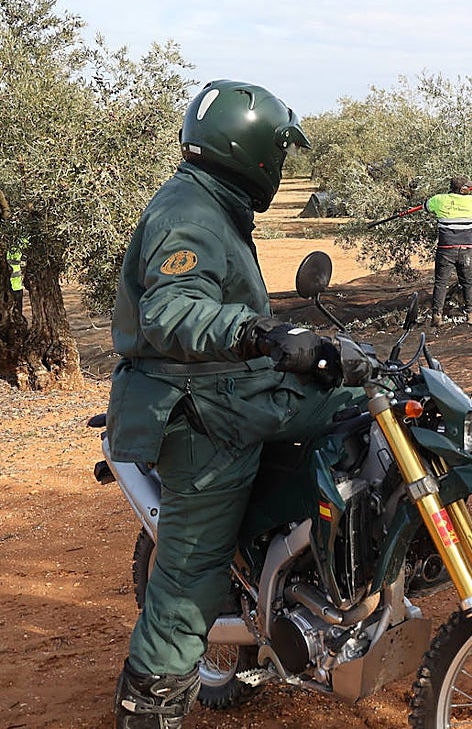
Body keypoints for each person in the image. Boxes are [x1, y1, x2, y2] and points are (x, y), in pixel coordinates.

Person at [107, 80, 356, 728]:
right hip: (192, 413)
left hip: (230, 393)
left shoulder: (217, 206)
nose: (280, 166)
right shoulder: (186, 214)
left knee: (362, 408)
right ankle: (147, 713)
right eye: (277, 152)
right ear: (250, 151)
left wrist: (329, 355)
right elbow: (170, 310)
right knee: (188, 585)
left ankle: (319, 570)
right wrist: (260, 334)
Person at [423, 174, 472, 327]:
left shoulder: (439, 200)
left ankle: (436, 317)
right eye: (468, 187)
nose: (470, 188)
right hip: (465, 250)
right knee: (468, 283)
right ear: (463, 189)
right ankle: (471, 316)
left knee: (440, 283)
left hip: (445, 250)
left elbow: (426, 206)